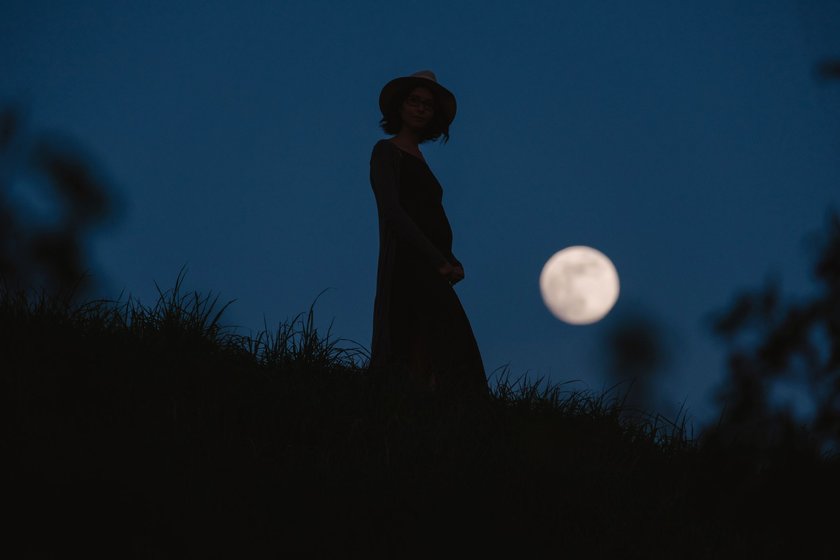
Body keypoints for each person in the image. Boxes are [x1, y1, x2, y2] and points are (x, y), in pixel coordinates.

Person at [368, 69, 487, 397]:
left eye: (428, 106)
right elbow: (393, 212)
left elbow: (431, 218)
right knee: (411, 342)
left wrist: (450, 259)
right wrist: (438, 261)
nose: (420, 109)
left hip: (433, 267)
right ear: (401, 107)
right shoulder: (386, 152)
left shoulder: (421, 161)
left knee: (449, 347)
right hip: (408, 266)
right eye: (414, 101)